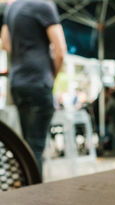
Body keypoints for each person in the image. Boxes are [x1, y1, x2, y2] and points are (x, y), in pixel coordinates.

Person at [1, 0, 67, 175]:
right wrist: (52, 76)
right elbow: (60, 51)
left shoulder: (11, 8)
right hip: (39, 80)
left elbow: (5, 44)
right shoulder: (44, 6)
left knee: (27, 144)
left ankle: (26, 185)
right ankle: (34, 194)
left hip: (18, 81)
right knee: (36, 146)